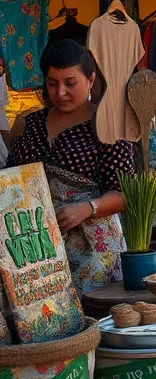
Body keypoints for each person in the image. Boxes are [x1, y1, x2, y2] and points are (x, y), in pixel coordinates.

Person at [7, 39, 134, 292]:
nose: (61, 92)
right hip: (38, 247)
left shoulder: (107, 126)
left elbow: (126, 193)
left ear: (91, 78)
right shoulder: (29, 125)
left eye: (70, 83)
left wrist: (87, 208)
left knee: (92, 315)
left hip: (93, 247)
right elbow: (11, 182)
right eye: (52, 84)